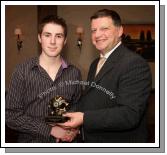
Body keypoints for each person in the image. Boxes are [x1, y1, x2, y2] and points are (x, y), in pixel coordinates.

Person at [58, 9, 152, 143]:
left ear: (119, 31)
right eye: (94, 30)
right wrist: (67, 117)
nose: (97, 34)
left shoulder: (134, 63)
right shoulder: (95, 63)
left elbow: (129, 114)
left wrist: (84, 118)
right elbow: (93, 100)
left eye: (104, 29)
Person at [5, 15, 82, 143]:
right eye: (47, 35)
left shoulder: (74, 73)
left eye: (58, 36)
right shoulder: (22, 71)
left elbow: (77, 106)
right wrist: (49, 130)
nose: (53, 41)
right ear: (40, 38)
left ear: (65, 40)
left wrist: (74, 128)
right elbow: (11, 115)